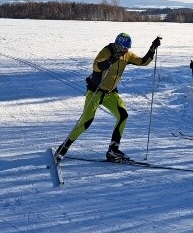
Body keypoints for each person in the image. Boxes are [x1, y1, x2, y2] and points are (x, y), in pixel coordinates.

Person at [54, 33, 162, 163]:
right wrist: (109, 61)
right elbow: (96, 66)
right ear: (117, 45)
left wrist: (152, 48)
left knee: (123, 115)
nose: (126, 50)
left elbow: (143, 62)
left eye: (128, 48)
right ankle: (63, 148)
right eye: (124, 48)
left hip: (110, 94)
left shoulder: (127, 55)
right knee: (86, 121)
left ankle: (113, 150)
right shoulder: (107, 51)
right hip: (95, 93)